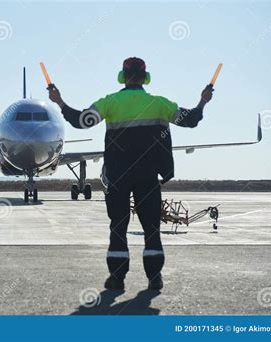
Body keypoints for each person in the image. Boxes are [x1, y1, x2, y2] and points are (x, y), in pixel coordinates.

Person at [47, 57, 213, 290]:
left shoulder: (110, 102)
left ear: (122, 77)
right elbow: (191, 120)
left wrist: (59, 102)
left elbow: (81, 121)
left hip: (118, 175)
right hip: (148, 175)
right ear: (146, 77)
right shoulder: (159, 104)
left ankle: (117, 278)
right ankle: (154, 278)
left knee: (118, 227)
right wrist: (202, 101)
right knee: (152, 229)